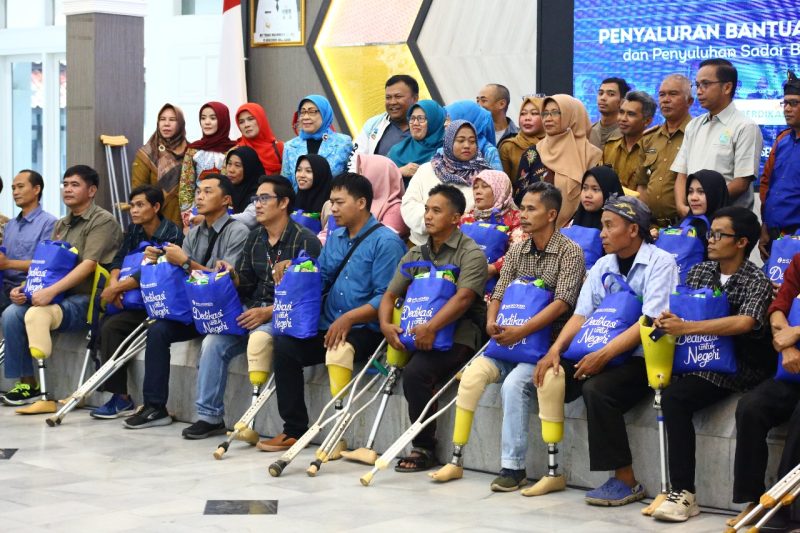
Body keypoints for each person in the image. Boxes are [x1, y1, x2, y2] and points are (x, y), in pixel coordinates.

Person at [428, 182, 584, 487]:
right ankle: (456, 459)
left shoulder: (570, 251)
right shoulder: (518, 249)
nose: (523, 215)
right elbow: (497, 292)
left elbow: (563, 302)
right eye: (522, 208)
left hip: (543, 346)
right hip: (505, 343)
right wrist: (491, 322)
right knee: (472, 376)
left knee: (513, 385)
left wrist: (521, 332)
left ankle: (513, 469)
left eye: (531, 209)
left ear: (551, 214)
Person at [532, 195, 678, 506]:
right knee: (551, 375)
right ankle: (551, 468)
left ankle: (626, 479)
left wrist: (605, 356)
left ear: (634, 229)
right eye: (601, 226)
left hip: (644, 358)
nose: (602, 233)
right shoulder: (602, 264)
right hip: (599, 347)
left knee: (598, 390)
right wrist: (554, 350)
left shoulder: (661, 262)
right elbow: (581, 315)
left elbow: (648, 323)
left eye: (609, 226)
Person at [257, 173, 406, 451]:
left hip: (364, 329)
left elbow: (386, 297)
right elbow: (322, 278)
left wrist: (349, 318)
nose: (333, 209)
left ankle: (338, 432)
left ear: (361, 203)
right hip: (328, 322)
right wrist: (297, 268)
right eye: (331, 202)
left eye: (339, 203)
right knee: (285, 345)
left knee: (341, 346)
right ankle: (294, 429)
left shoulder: (387, 242)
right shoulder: (335, 237)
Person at [651, 207, 774, 522]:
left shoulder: (755, 279)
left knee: (676, 399)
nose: (712, 239)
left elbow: (745, 323)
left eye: (721, 235)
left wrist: (687, 328)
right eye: (712, 232)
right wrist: (671, 319)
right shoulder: (699, 271)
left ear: (742, 242)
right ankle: (674, 490)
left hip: (739, 364)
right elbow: (686, 308)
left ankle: (684, 493)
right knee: (663, 388)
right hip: (695, 354)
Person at [181, 175, 322, 439]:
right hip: (251, 311)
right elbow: (245, 283)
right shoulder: (255, 237)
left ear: (283, 203)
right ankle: (209, 417)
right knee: (213, 341)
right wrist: (231, 274)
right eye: (256, 199)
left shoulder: (305, 240)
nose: (257, 204)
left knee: (261, 334)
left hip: (282, 316)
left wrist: (269, 312)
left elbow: (309, 295)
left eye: (264, 198)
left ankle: (269, 423)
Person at [123, 174, 250, 429]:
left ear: (226, 200)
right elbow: (182, 273)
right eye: (198, 191)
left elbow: (225, 282)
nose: (199, 196)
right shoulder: (194, 232)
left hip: (222, 311)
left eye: (207, 191)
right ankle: (155, 407)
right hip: (195, 309)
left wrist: (184, 261)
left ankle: (209, 418)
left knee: (212, 343)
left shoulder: (239, 231)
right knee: (157, 329)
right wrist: (158, 258)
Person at [381, 184, 488, 472]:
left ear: (456, 218)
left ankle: (423, 447)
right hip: (417, 331)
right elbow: (390, 295)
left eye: (436, 211)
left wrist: (432, 326)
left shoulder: (470, 253)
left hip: (459, 334)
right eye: (427, 209)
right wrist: (385, 325)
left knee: (416, 372)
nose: (428, 215)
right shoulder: (416, 253)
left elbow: (464, 298)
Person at [1, 165, 122, 406]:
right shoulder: (62, 224)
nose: (67, 189)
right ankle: (28, 385)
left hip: (87, 298)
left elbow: (88, 265)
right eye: (65, 185)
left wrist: (50, 292)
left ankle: (47, 394)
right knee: (12, 313)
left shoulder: (103, 221)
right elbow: (49, 266)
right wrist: (26, 288)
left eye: (75, 185)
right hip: (58, 294)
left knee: (38, 314)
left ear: (92, 190)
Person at [90, 185, 183, 419]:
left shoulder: (172, 233)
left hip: (157, 301)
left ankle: (121, 397)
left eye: (140, 205)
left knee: (112, 326)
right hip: (129, 297)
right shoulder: (134, 230)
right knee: (104, 321)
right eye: (132, 205)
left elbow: (155, 270)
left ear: (156, 207)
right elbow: (119, 259)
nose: (134, 210)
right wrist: (113, 285)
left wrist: (117, 288)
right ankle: (117, 395)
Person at [730, 252, 800, 531]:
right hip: (792, 367)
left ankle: (783, 506)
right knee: (751, 406)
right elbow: (778, 308)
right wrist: (788, 347)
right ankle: (753, 500)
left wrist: (796, 333)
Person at [672, 59, 763, 212]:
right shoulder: (693, 125)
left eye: (705, 84)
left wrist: (705, 203)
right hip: (694, 218)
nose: (699, 91)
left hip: (727, 222)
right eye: (697, 85)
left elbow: (741, 182)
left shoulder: (745, 127)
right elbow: (682, 174)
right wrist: (682, 207)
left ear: (727, 87)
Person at [516, 95, 603, 226]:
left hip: (580, 230)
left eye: (555, 112)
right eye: (545, 113)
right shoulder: (532, 154)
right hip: (536, 229)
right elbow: (519, 196)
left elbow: (598, 196)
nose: (548, 118)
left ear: (572, 115)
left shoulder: (591, 155)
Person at [402, 120, 491, 246]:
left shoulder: (485, 176)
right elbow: (409, 203)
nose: (467, 145)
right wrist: (434, 223)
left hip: (461, 249)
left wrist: (449, 229)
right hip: (420, 244)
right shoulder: (428, 169)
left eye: (472, 141)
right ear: (449, 141)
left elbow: (488, 213)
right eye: (460, 140)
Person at [638, 74, 694, 228]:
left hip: (685, 226)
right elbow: (642, 184)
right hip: (652, 227)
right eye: (662, 94)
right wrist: (645, 224)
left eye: (673, 94)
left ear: (689, 101)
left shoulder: (697, 134)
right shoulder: (649, 138)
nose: (665, 99)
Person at [459, 169, 525, 297]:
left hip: (499, 284)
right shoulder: (467, 218)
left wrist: (494, 268)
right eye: (475, 187)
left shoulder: (516, 219)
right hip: (463, 280)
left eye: (485, 187)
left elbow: (518, 252)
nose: (478, 191)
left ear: (500, 189)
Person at [0, 170, 57, 310]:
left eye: (20, 187)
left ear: (36, 189)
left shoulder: (50, 223)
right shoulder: (9, 225)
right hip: (4, 287)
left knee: (11, 313)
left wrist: (7, 264)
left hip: (28, 289)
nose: (15, 192)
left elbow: (45, 266)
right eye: (13, 188)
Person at [759, 70, 800, 259]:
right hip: (774, 233)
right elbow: (767, 185)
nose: (787, 109)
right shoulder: (782, 140)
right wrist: (765, 226)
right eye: (785, 103)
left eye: (794, 103)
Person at [178, 101, 237, 225]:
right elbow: (186, 184)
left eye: (213, 118)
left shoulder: (233, 150)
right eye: (203, 118)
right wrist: (188, 216)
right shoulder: (193, 150)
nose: (207, 122)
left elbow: (234, 184)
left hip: (226, 212)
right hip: (198, 212)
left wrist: (229, 211)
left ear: (222, 120)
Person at [131, 103, 188, 227]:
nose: (166, 124)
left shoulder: (190, 152)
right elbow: (138, 191)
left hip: (184, 222)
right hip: (153, 222)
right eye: (162, 119)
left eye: (172, 120)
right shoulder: (146, 154)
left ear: (181, 124)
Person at [281, 95, 353, 183]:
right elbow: (285, 183)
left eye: (312, 112)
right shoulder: (290, 146)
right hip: (299, 197)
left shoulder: (343, 143)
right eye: (302, 112)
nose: (305, 117)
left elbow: (350, 180)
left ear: (324, 113)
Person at [602, 91, 656, 190]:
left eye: (631, 114)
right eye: (621, 112)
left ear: (647, 121)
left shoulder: (653, 151)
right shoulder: (610, 146)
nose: (623, 118)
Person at [355, 74, 419, 157]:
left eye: (398, 96)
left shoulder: (428, 126)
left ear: (415, 99)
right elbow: (355, 159)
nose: (392, 102)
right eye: (388, 97)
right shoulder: (374, 124)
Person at [387, 99, 446, 186]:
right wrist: (399, 172)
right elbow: (377, 179)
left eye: (421, 119)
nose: (415, 123)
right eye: (412, 118)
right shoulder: (398, 151)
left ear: (434, 121)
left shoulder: (448, 152)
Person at [354, 153, 408, 238]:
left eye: (363, 172)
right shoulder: (358, 201)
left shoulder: (396, 210)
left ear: (377, 176)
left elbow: (381, 240)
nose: (358, 177)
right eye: (359, 171)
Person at [678, 169, 730, 252]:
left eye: (701, 192)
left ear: (715, 194)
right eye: (690, 192)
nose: (693, 198)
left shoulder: (726, 232)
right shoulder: (685, 222)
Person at [444, 100, 503, 170]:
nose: (445, 123)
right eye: (446, 119)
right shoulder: (445, 148)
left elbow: (498, 179)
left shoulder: (489, 152)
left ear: (466, 119)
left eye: (450, 119)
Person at [499, 96, 545, 182]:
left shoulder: (554, 145)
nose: (527, 118)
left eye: (534, 113)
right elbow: (504, 185)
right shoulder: (509, 147)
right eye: (523, 113)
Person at [234, 102, 284, 177]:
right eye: (241, 122)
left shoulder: (280, 148)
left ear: (261, 119)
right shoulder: (236, 151)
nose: (246, 125)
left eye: (251, 119)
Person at [569, 166, 624, 231]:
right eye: (584, 188)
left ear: (608, 192)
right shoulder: (575, 221)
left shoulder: (619, 229)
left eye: (595, 189)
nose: (587, 195)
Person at [295, 154, 333, 239]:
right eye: (299, 170)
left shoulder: (330, 205)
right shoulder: (292, 199)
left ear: (320, 174)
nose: (301, 175)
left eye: (308, 171)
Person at [589, 77, 630, 148]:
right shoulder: (589, 131)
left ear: (622, 101)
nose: (603, 98)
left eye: (611, 94)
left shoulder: (628, 134)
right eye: (600, 93)